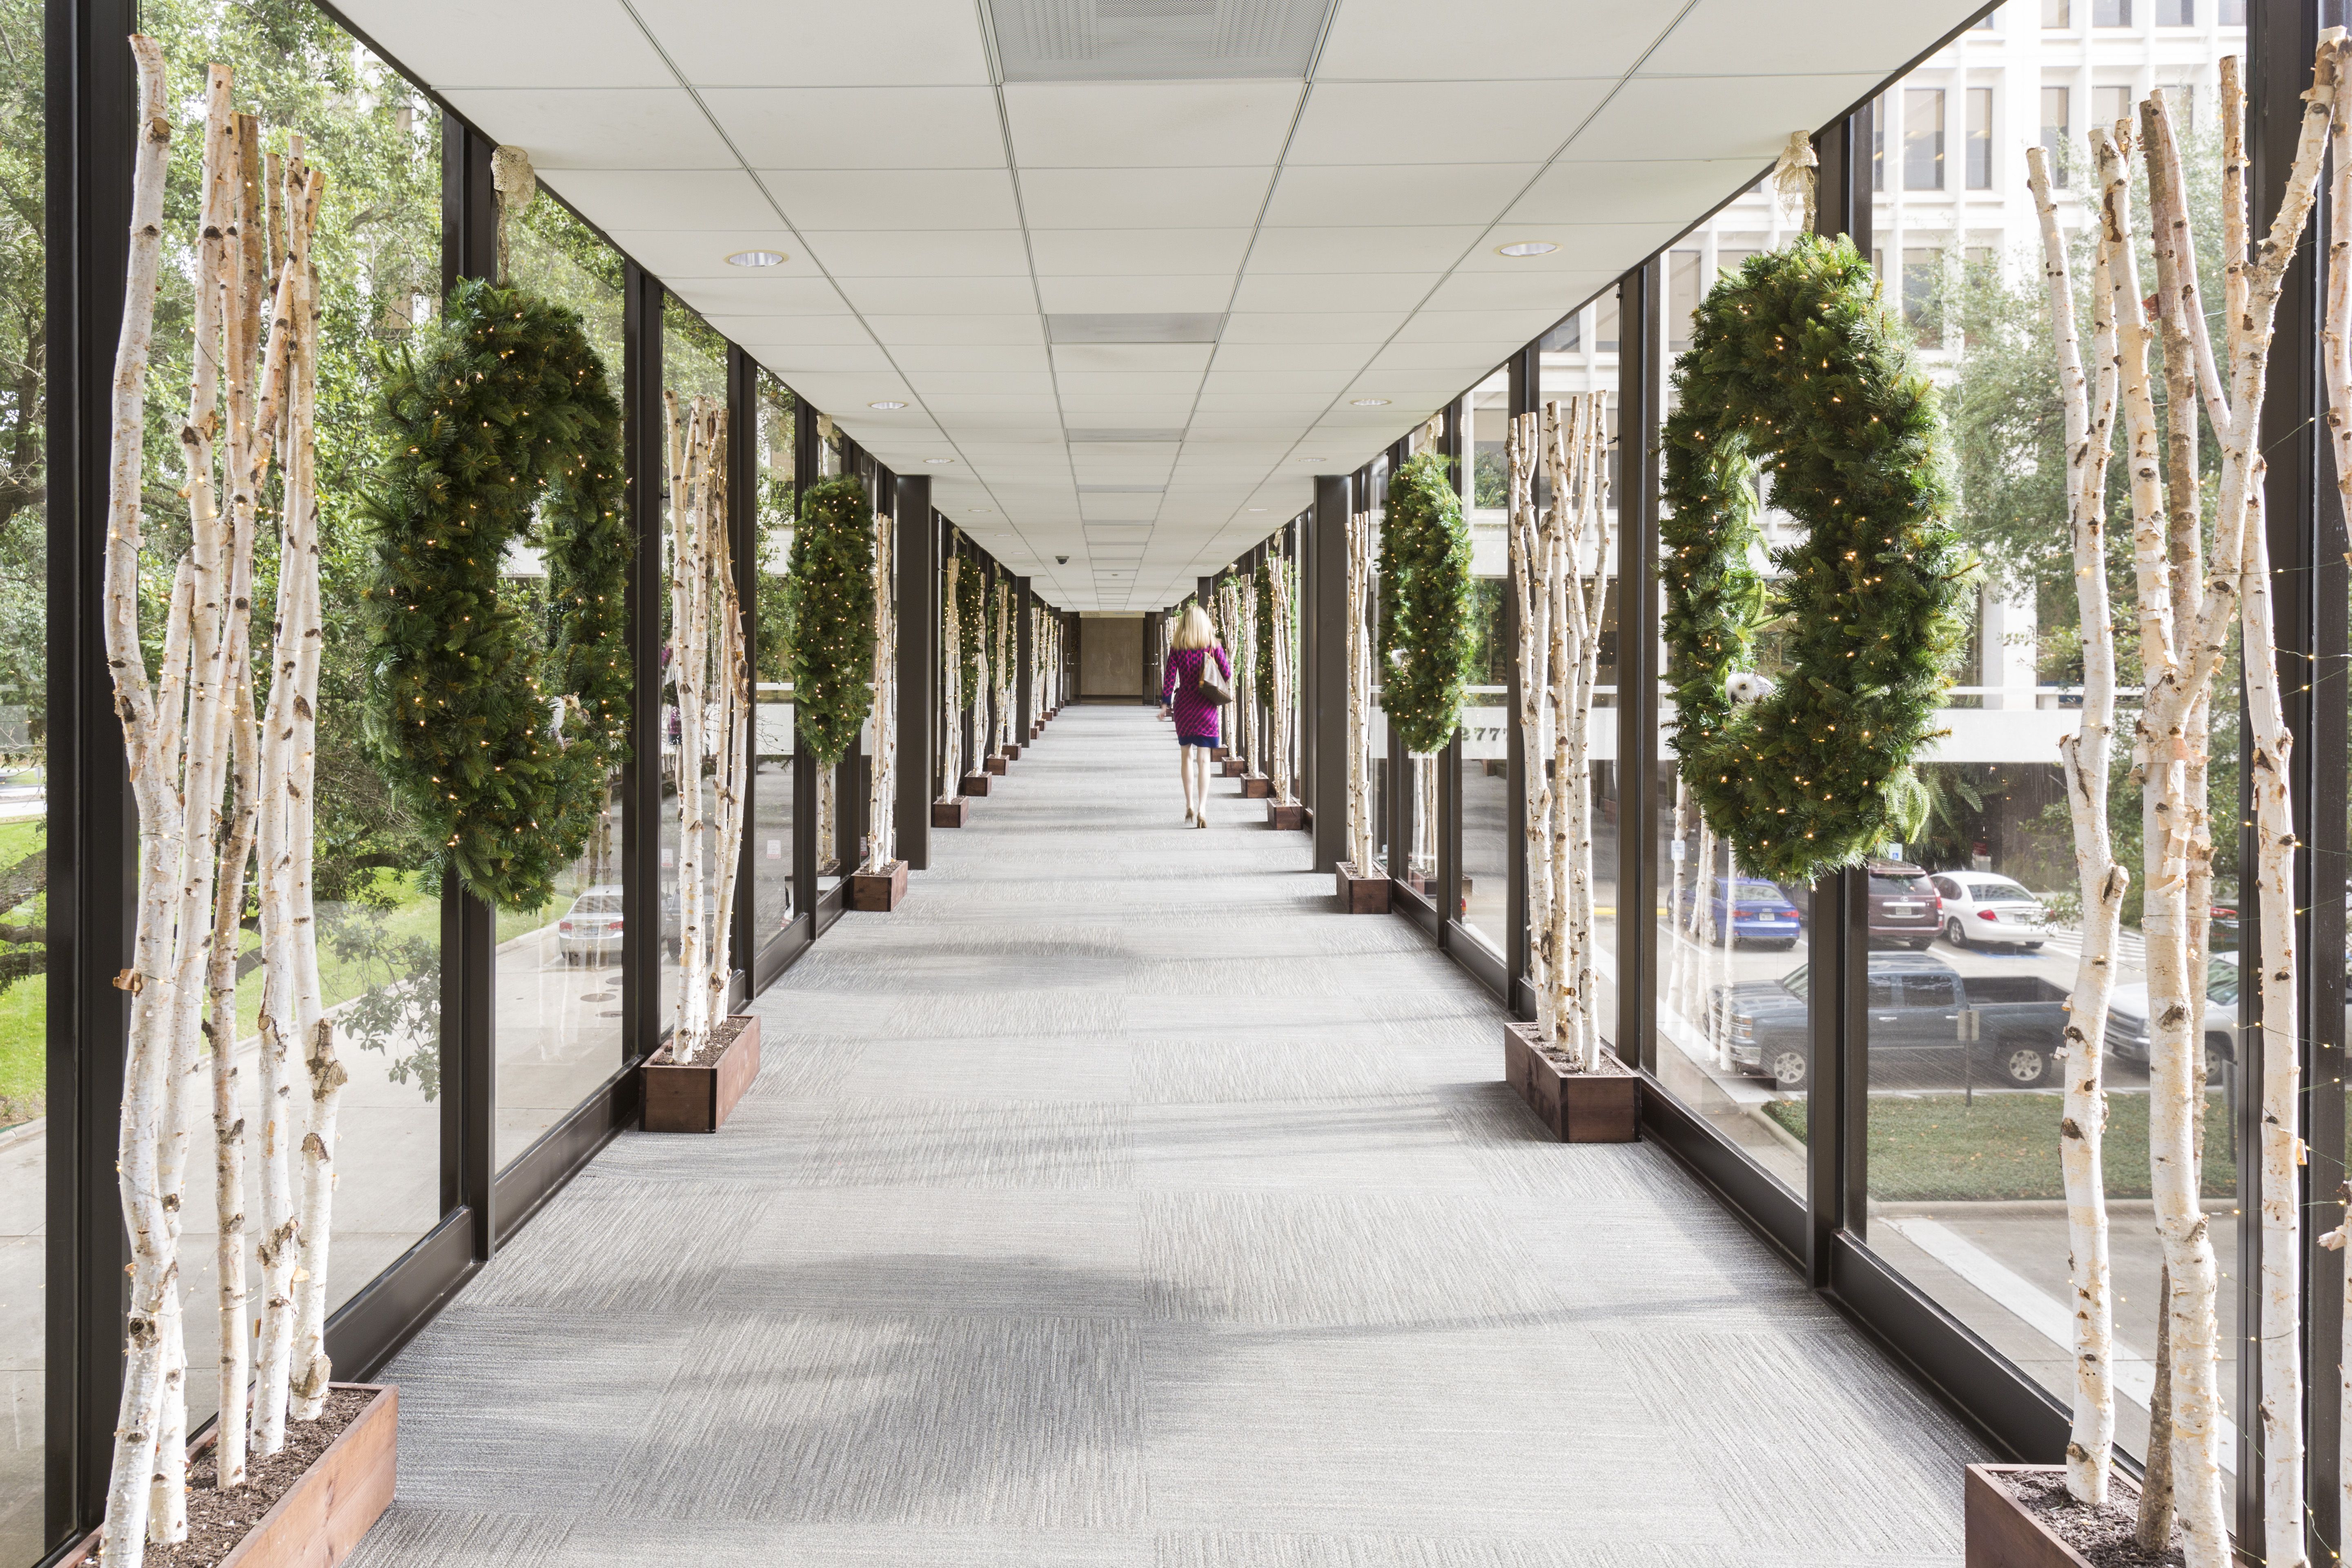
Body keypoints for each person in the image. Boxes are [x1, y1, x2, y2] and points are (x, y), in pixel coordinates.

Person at [1160, 604, 1232, 828]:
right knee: (1204, 760)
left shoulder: (1177, 648)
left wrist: (1165, 704)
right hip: (1206, 706)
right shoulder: (1213, 646)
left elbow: (1170, 679)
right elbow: (1228, 674)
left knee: (1186, 757)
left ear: (1184, 625)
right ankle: (1202, 808)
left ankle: (1189, 804)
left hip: (1184, 706)